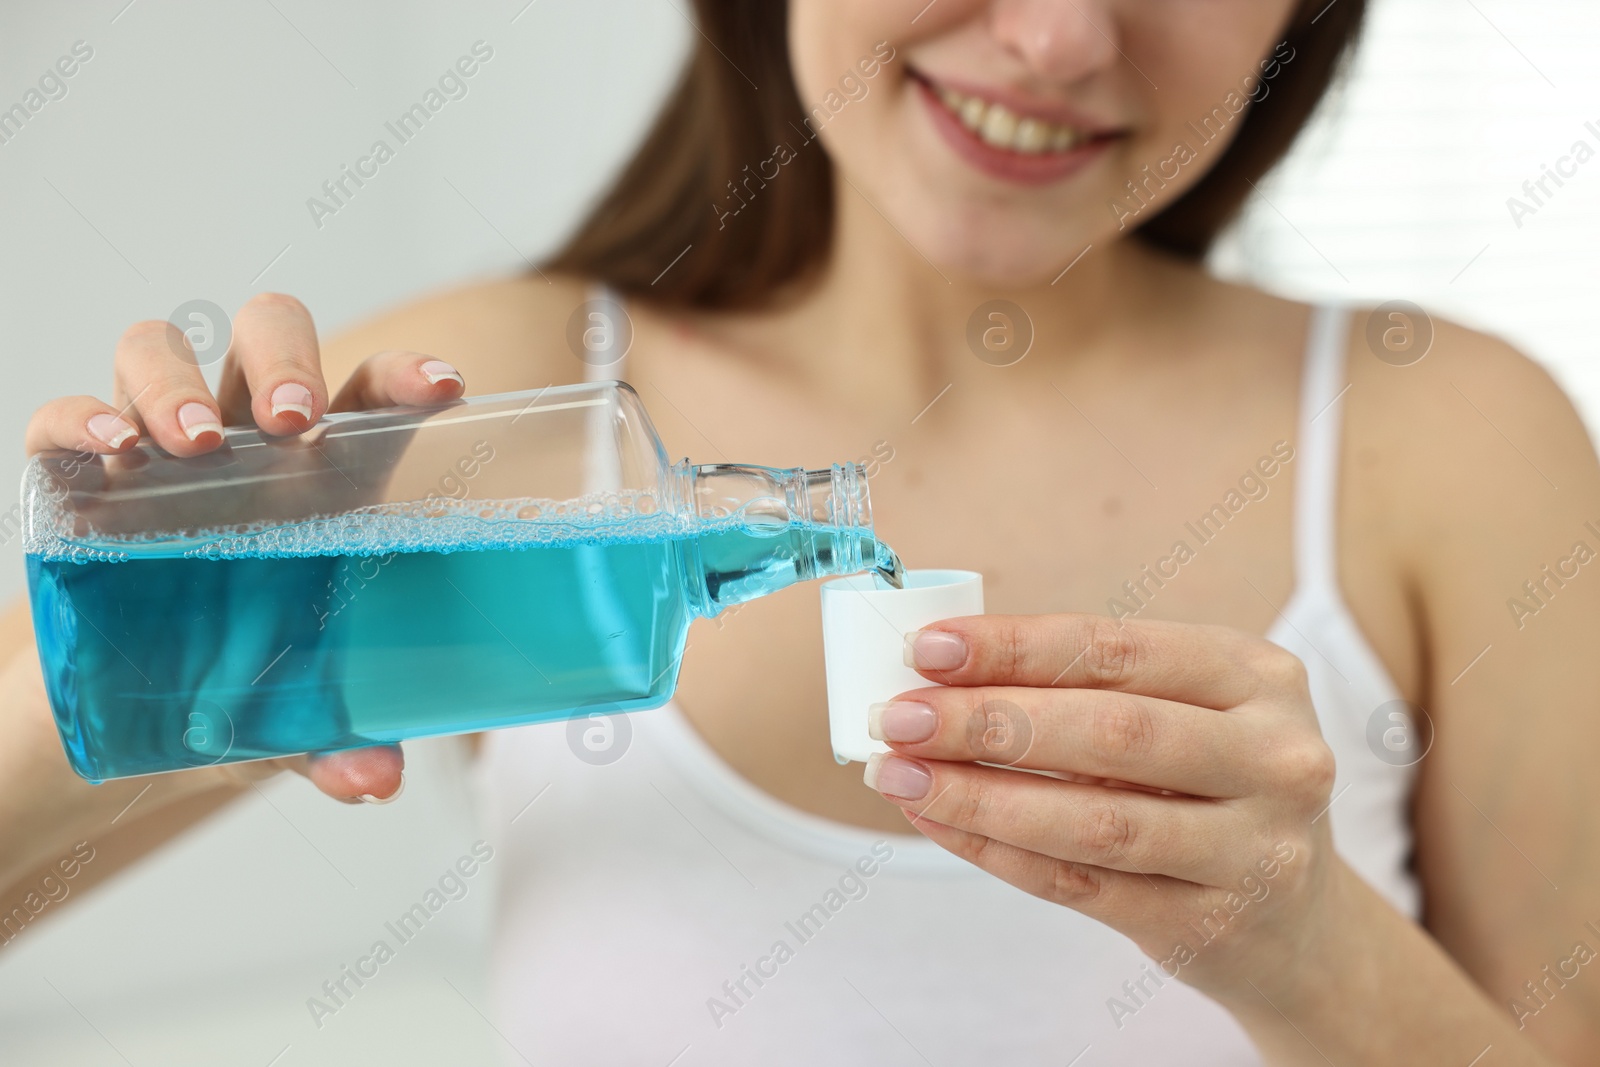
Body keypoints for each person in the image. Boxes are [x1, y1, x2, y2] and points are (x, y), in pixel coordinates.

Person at [7, 1, 1599, 1062]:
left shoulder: (1442, 439)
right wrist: (213, 645)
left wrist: (1309, 953)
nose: (1055, 34)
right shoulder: (495, 403)